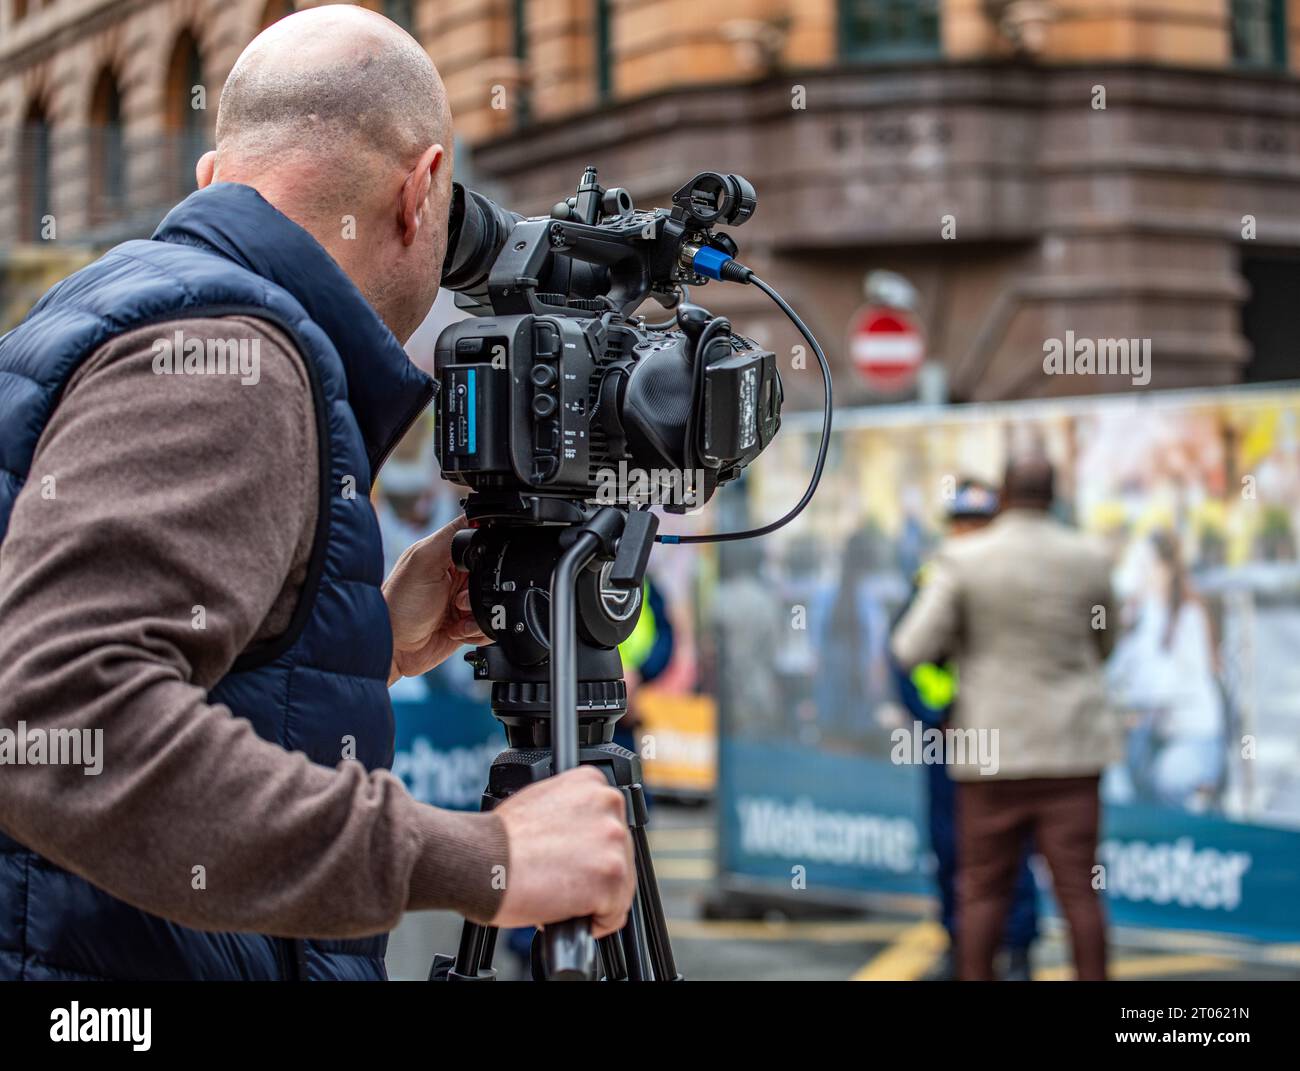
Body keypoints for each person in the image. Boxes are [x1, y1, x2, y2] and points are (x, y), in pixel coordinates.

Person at [0, 5, 633, 981]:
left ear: (212, 179)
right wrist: (485, 859)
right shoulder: (228, 360)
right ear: (421, 191)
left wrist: (364, 641)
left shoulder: (131, 306)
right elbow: (58, 724)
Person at [891, 455, 1120, 981]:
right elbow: (1106, 643)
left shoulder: (963, 561)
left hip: (991, 754)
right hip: (1072, 750)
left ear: (1007, 497)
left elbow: (910, 646)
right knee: (1080, 893)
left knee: (982, 890)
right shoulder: (1089, 558)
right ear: (1053, 493)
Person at [889, 479, 1039, 981]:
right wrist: (939, 717)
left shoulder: (1016, 583)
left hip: (1000, 737)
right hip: (946, 739)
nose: (968, 532)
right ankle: (960, 945)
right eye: (961, 523)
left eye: (978, 523)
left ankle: (1016, 950)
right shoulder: (930, 579)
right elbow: (904, 663)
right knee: (950, 845)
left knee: (1009, 844)